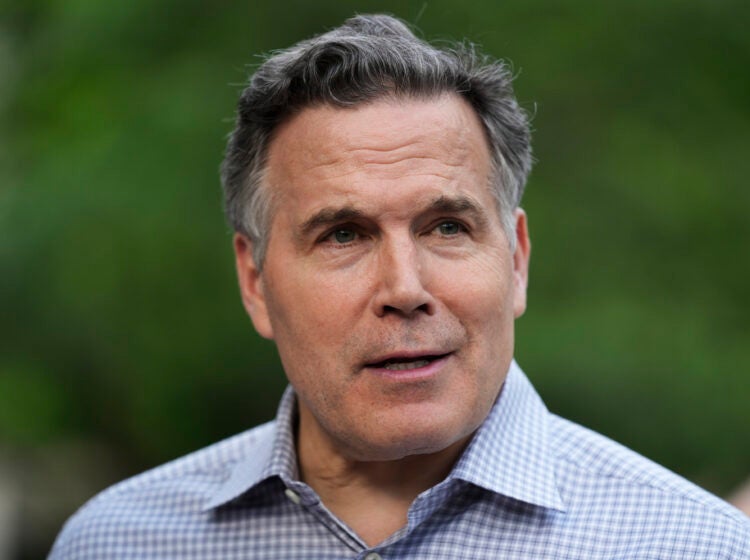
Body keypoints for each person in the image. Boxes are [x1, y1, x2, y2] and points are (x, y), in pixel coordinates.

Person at [49, 14, 750, 559]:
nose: (405, 288)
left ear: (517, 259)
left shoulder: (695, 545)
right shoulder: (117, 542)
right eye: (343, 235)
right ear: (255, 281)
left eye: (447, 227)